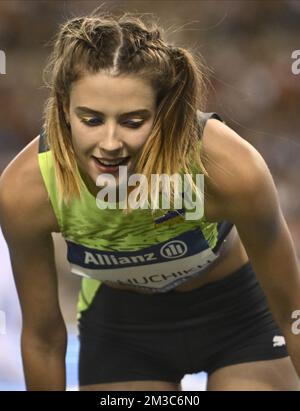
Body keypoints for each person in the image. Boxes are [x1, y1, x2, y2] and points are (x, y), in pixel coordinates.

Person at [0, 9, 299, 392]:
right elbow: (43, 338)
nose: (110, 144)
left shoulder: (230, 168)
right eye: (91, 120)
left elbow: (294, 313)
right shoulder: (27, 190)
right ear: (64, 110)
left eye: (132, 121)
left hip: (237, 314)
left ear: (163, 115)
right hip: (123, 331)